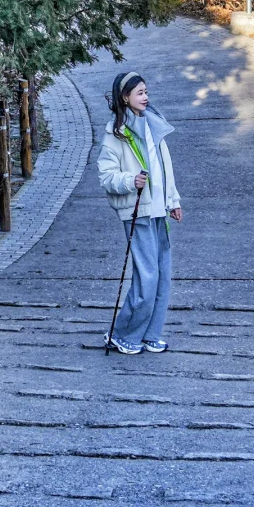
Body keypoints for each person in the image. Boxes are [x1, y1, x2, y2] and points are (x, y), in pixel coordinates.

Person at [97, 71, 182, 355]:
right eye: (139, 93)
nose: (145, 97)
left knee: (162, 275)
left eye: (146, 91)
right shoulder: (115, 134)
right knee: (147, 277)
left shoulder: (153, 124)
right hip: (138, 212)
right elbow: (106, 175)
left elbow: (163, 167)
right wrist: (130, 182)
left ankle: (149, 333)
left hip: (158, 211)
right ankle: (122, 334)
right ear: (125, 98)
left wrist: (173, 200)